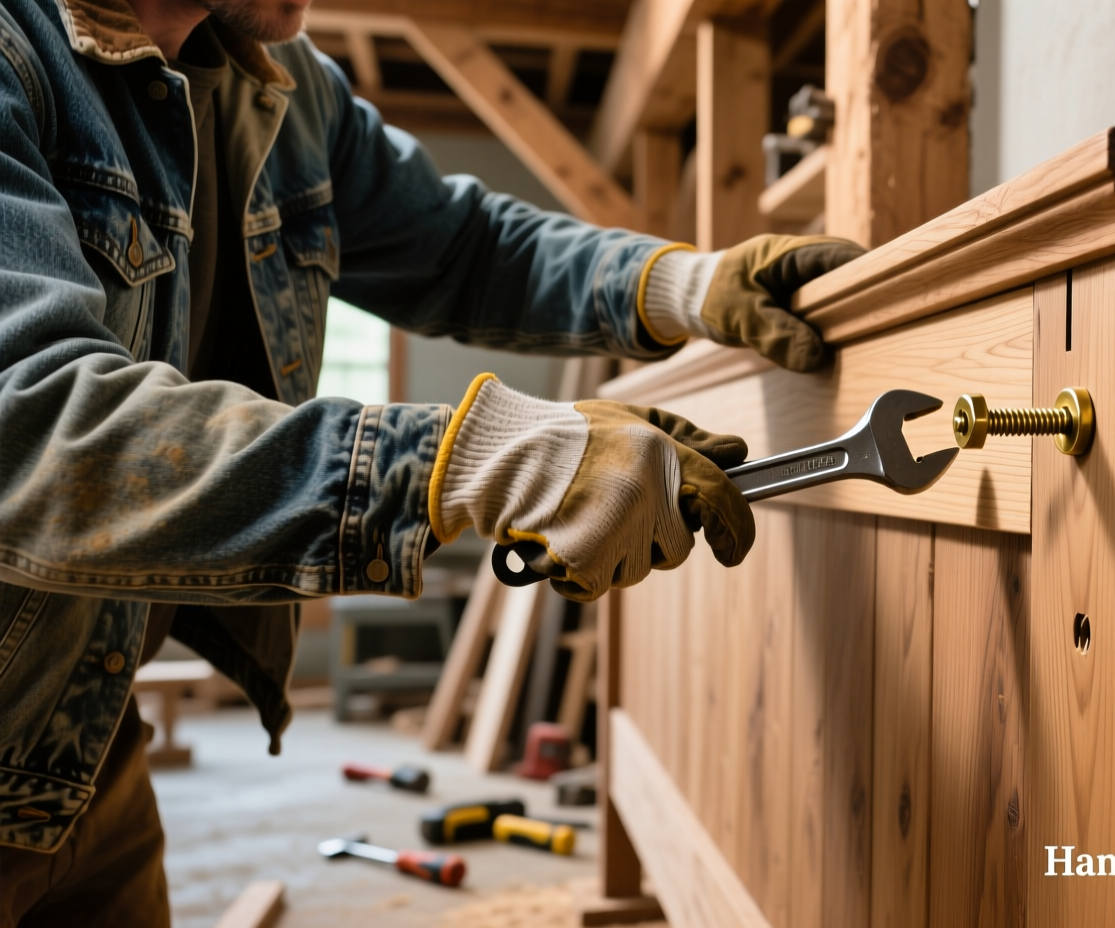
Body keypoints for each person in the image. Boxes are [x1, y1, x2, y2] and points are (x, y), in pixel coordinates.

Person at [0, 0, 862, 921]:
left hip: (80, 738)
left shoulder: (279, 90)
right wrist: (478, 461)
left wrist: (683, 284)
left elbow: (465, 246)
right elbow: (36, 424)